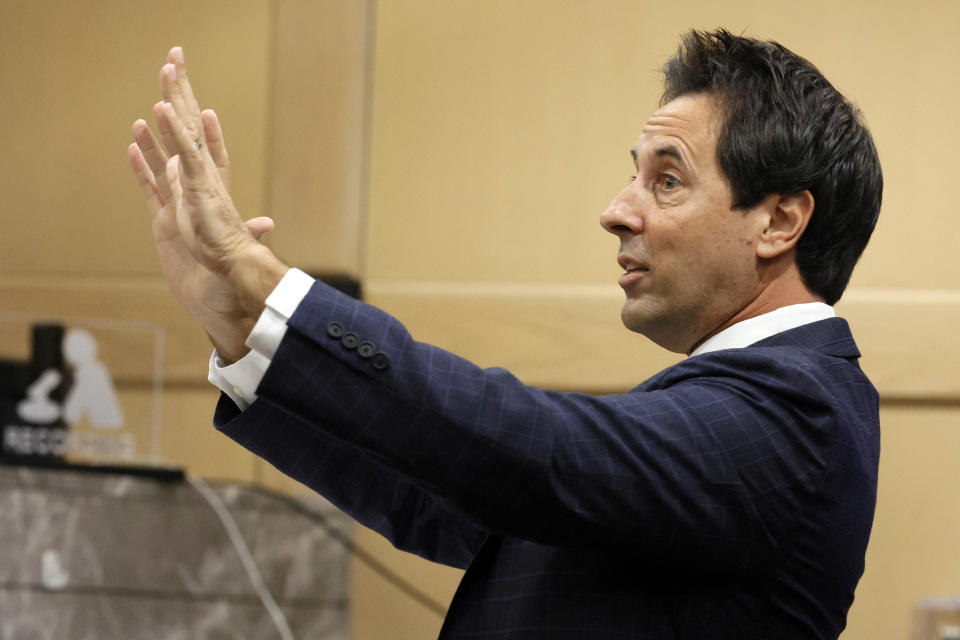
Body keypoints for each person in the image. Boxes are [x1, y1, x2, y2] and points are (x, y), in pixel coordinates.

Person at [128, 28, 882, 639]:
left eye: (668, 180)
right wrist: (240, 324)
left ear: (778, 222)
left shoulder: (799, 411)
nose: (617, 211)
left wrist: (264, 281)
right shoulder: (735, 412)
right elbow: (455, 503)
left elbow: (534, 452)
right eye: (636, 176)